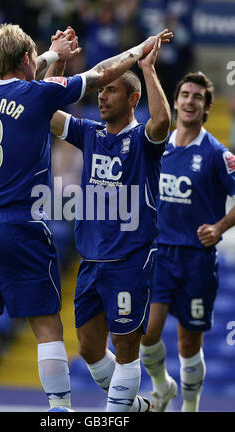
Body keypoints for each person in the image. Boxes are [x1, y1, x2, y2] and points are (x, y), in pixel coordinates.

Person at [0, 21, 171, 412]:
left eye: (112, 93)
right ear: (25, 59)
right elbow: (56, 95)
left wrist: (55, 57)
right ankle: (83, 408)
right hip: (31, 229)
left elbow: (33, 92)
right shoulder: (76, 123)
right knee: (63, 334)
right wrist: (138, 50)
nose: (102, 97)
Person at [50, 32, 172, 411]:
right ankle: (139, 408)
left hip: (130, 261)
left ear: (133, 99)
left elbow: (163, 120)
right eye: (100, 90)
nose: (101, 96)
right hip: (91, 260)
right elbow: (47, 114)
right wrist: (57, 63)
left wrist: (147, 68)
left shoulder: (142, 140)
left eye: (111, 90)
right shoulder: (91, 133)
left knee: (125, 349)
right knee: (88, 348)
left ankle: (116, 416)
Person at [140, 71, 235, 412]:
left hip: (197, 259)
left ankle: (190, 405)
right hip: (160, 253)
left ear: (207, 108)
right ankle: (163, 386)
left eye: (198, 97)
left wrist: (220, 226)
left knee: (188, 343)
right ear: (176, 102)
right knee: (147, 334)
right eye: (185, 95)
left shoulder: (216, 153)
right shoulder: (158, 144)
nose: (190, 101)